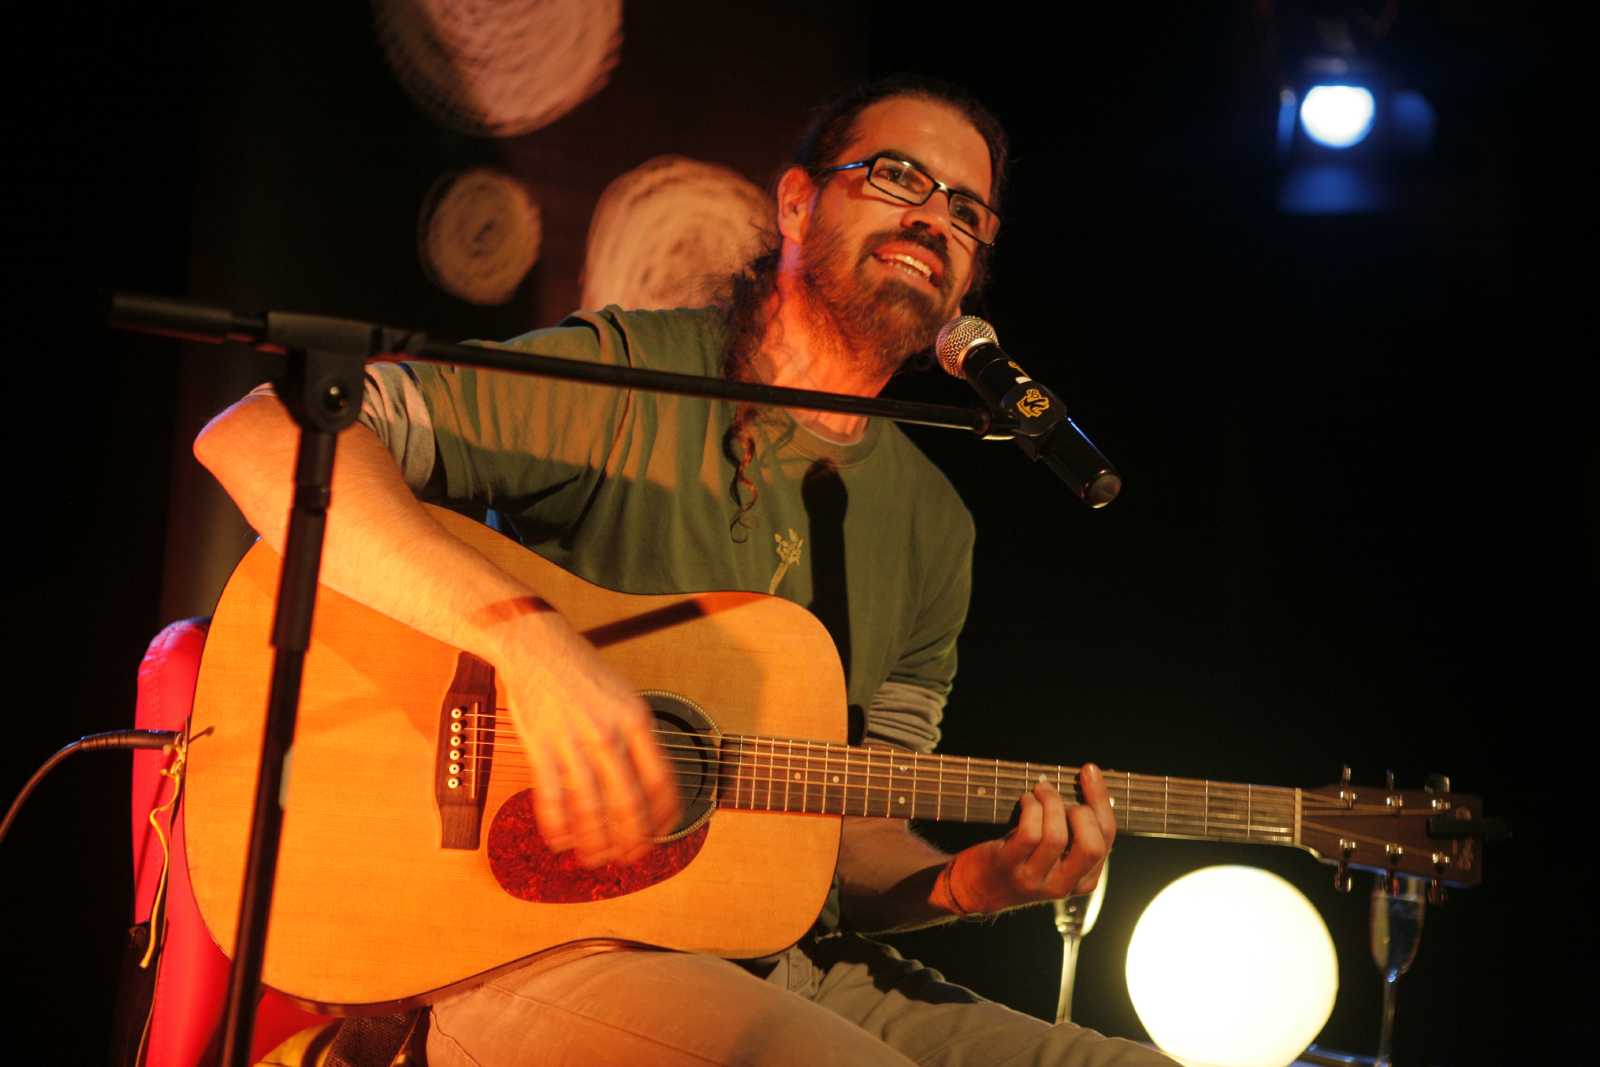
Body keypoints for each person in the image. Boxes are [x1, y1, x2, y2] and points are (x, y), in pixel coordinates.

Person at [195, 75, 1175, 1067]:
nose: (932, 219)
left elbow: (850, 834)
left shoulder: (935, 527)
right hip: (533, 949)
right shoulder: (630, 380)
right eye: (898, 178)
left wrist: (971, 883)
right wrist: (532, 648)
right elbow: (263, 437)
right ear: (797, 201)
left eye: (966, 212)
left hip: (792, 964)